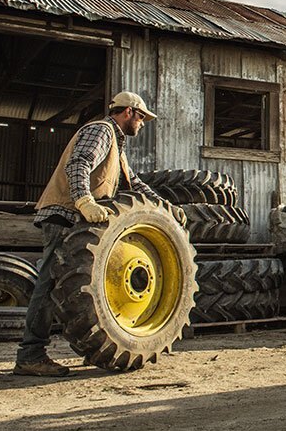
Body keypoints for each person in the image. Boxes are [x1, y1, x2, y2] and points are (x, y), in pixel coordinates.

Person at [13, 91, 185, 377]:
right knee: (49, 284)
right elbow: (79, 163)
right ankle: (30, 354)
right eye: (142, 118)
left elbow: (135, 185)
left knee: (69, 288)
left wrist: (165, 208)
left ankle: (84, 346)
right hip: (66, 215)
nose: (142, 125)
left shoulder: (117, 146)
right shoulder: (101, 130)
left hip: (80, 220)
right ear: (128, 112)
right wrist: (84, 200)